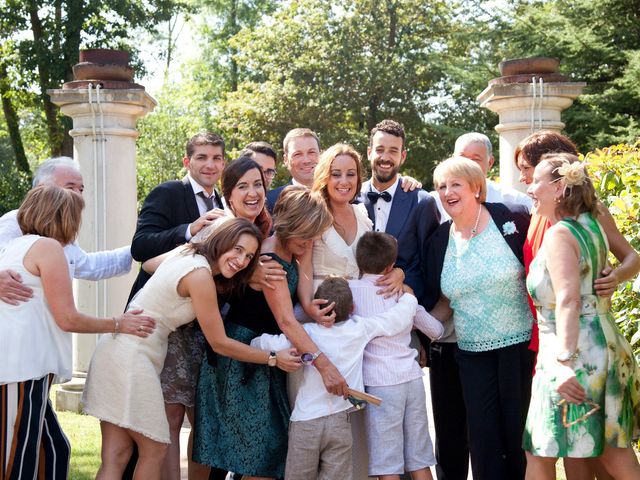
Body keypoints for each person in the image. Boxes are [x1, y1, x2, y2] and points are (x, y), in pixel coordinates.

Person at [0, 185, 154, 480]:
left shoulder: (18, 247)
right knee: (18, 461)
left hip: (30, 372)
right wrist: (119, 323)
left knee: (54, 450)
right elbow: (68, 318)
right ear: (63, 217)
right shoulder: (47, 248)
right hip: (19, 371)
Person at [193, 186, 347, 479]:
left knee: (266, 453)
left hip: (266, 357)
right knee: (258, 456)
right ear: (292, 225)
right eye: (308, 234)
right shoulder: (269, 262)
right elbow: (287, 322)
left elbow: (301, 278)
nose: (312, 241)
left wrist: (308, 303)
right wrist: (325, 367)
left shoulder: (290, 249)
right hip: (242, 359)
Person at [515, 131, 640, 480]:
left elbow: (568, 299)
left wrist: (563, 361)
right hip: (601, 344)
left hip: (571, 350)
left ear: (558, 188)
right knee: (609, 450)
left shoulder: (561, 233)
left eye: (534, 179)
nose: (528, 187)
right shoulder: (590, 225)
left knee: (541, 448)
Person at [424, 156, 535, 480]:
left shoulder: (512, 220)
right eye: (441, 186)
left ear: (476, 188)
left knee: (519, 437)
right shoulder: (440, 240)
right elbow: (445, 302)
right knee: (483, 440)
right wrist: (411, 325)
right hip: (470, 354)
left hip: (519, 349)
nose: (447, 192)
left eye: (455, 184)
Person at [251, 276, 420, 480]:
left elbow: (263, 344)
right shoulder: (360, 328)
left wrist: (256, 342)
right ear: (352, 308)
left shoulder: (305, 334)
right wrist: (408, 297)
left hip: (305, 422)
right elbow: (397, 319)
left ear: (316, 308)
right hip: (340, 422)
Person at [352, 231, 446, 480]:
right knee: (419, 455)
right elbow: (436, 330)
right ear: (391, 265)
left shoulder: (350, 292)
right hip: (412, 379)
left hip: (379, 384)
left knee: (387, 460)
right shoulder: (403, 295)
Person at [0, 156, 132, 306]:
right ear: (42, 188)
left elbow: (88, 265)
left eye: (80, 189)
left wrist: (139, 248)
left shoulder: (57, 231)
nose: (77, 195)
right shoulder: (13, 221)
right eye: (70, 188)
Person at [359, 119, 441, 303]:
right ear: (369, 152)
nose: (385, 157)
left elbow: (429, 262)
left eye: (393, 151)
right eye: (380, 149)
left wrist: (404, 276)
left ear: (403, 156)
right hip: (355, 302)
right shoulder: (350, 198)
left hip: (402, 303)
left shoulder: (422, 202)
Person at [431, 132, 532, 221]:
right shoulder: (434, 201)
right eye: (462, 158)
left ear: (490, 162)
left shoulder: (515, 201)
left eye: (475, 160)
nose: (467, 165)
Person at [266, 128, 320, 212]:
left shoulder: (338, 196)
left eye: (311, 152)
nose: (306, 160)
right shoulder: (271, 201)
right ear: (286, 160)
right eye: (298, 154)